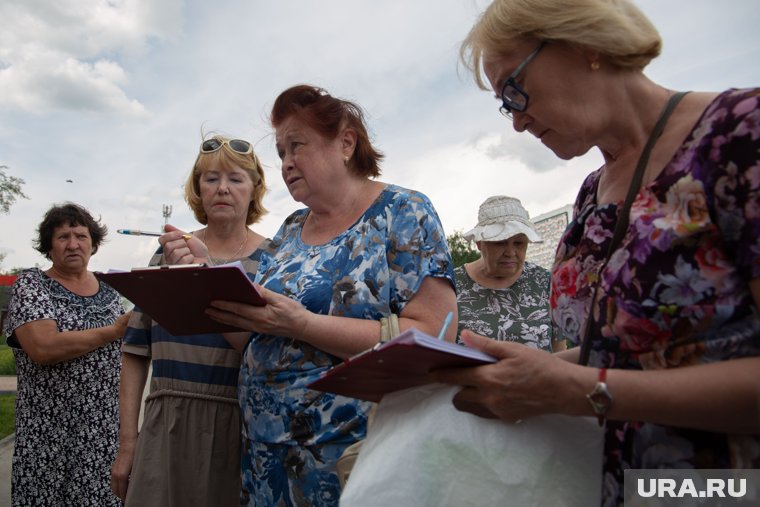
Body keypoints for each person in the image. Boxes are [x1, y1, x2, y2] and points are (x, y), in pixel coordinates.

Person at [432, 0, 760, 505]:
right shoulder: (591, 193)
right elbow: (628, 350)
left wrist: (575, 390)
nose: (517, 123)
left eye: (514, 91)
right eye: (505, 105)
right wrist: (517, 369)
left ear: (581, 44)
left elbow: (604, 379)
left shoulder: (741, 134)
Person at [166, 84, 457, 506]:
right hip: (266, 460)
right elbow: (255, 334)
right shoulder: (289, 230)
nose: (285, 163)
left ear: (346, 142)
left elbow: (435, 336)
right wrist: (204, 276)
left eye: (296, 146)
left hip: (350, 460)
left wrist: (304, 324)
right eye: (281, 152)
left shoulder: (403, 211)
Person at [110, 135, 271, 506]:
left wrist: (205, 274)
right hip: (165, 424)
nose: (223, 189)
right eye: (211, 179)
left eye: (236, 178)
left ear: (254, 188)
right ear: (198, 189)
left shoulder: (275, 257)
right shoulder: (168, 252)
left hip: (240, 428)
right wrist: (128, 442)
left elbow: (269, 350)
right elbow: (135, 350)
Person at [3, 202, 130, 506]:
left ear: (93, 243)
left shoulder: (111, 292)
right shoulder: (32, 285)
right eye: (62, 237)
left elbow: (125, 359)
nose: (73, 244)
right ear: (49, 245)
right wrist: (112, 331)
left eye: (81, 236)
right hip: (47, 436)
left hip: (103, 436)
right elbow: (43, 348)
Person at [456, 194, 564, 352]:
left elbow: (559, 349)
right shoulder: (452, 284)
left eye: (519, 243)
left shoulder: (545, 282)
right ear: (480, 243)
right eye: (500, 243)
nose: (510, 252)